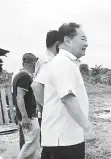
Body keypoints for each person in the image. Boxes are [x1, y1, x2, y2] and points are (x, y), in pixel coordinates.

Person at [34, 22, 95, 159]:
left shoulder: (61, 62)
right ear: (67, 40)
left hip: (62, 137)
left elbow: (36, 85)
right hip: (64, 140)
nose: (86, 43)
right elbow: (67, 98)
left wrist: (51, 108)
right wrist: (87, 127)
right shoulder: (63, 63)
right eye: (83, 39)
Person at [31, 30, 59, 158]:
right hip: (49, 112)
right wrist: (48, 107)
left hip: (46, 111)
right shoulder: (48, 61)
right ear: (57, 44)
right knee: (52, 148)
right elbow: (37, 86)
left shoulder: (44, 59)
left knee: (49, 147)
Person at [12, 53, 41, 159]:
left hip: (26, 114)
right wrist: (25, 116)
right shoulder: (25, 76)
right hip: (28, 115)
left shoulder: (18, 75)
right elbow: (20, 97)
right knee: (30, 143)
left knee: (33, 143)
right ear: (33, 63)